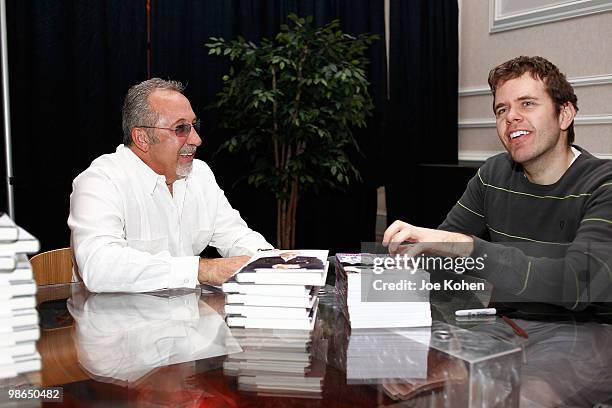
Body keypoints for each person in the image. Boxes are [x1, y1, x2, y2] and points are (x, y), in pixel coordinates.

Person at [383, 56, 612, 310]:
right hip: (505, 334)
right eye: (501, 109)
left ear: (565, 114)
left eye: (527, 103)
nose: (511, 117)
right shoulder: (493, 174)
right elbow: (442, 260)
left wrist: (469, 249)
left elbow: (579, 286)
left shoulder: (604, 184)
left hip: (587, 339)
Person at [68, 78, 273, 293]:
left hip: (188, 319)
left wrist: (273, 262)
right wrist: (201, 270)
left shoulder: (199, 174)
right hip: (115, 322)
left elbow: (236, 236)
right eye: (181, 128)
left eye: (194, 126)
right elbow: (100, 268)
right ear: (142, 138)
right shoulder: (100, 181)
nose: (196, 139)